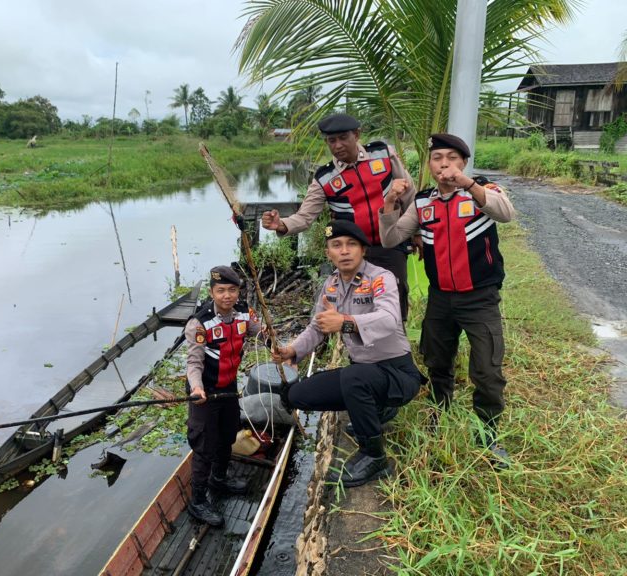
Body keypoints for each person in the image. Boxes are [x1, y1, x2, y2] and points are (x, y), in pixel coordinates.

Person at [378, 133, 516, 467]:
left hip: (480, 298)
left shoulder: (484, 190)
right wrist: (389, 203)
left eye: (452, 158)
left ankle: (487, 434)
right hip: (441, 299)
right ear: (429, 164)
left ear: (463, 163)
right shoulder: (423, 202)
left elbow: (506, 213)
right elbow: (391, 238)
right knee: (437, 361)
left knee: (487, 369)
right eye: (437, 158)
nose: (444, 165)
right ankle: (441, 411)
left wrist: (469, 184)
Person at [273, 220, 424, 487]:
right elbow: (317, 328)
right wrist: (293, 349)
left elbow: (390, 319)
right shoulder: (330, 285)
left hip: (397, 374)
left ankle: (374, 456)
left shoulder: (381, 278)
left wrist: (344, 322)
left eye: (351, 244)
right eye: (336, 245)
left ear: (363, 250)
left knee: (355, 377)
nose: (344, 251)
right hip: (364, 374)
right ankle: (377, 408)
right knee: (297, 395)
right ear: (328, 252)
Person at [261, 113, 417, 321]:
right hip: (352, 253)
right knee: (355, 307)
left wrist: (417, 232)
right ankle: (357, 353)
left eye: (343, 138)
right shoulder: (324, 177)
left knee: (394, 305)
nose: (337, 145)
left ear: (357, 135)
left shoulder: (382, 154)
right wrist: (281, 224)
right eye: (331, 141)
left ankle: (395, 349)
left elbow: (409, 194)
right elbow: (305, 217)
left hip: (391, 245)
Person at [184, 265, 261, 526]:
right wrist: (196, 388)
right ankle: (197, 501)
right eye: (221, 291)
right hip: (204, 391)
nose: (226, 296)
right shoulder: (200, 322)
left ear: (238, 291)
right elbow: (194, 363)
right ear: (212, 292)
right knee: (204, 445)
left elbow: (258, 331)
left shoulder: (243, 313)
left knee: (228, 434)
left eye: (231, 290)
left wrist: (275, 343)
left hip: (228, 388)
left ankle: (219, 478)